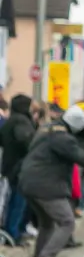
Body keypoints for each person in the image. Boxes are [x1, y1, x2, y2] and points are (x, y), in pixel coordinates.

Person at [17, 105, 84, 257]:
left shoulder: (47, 129)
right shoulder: (62, 138)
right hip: (46, 185)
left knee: (47, 224)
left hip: (30, 181)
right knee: (67, 222)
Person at [0, 95, 37, 242]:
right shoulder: (21, 121)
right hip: (20, 167)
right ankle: (13, 233)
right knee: (19, 201)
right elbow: (25, 140)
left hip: (10, 165)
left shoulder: (10, 121)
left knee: (13, 199)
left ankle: (13, 231)